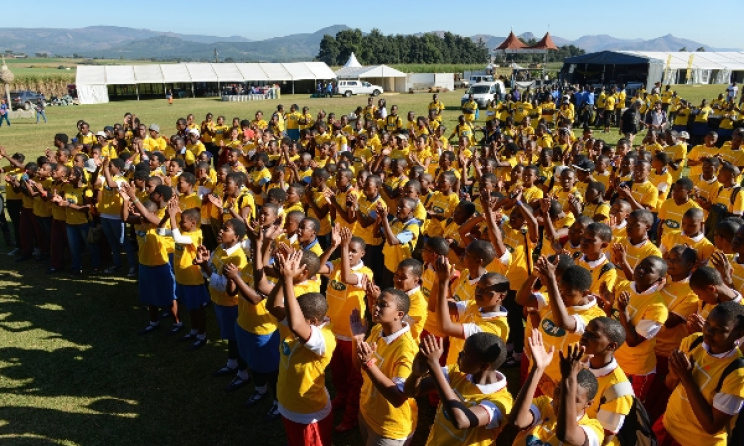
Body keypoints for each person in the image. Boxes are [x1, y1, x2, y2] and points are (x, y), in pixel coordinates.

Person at [268, 250, 336, 446]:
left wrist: (289, 280)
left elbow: (297, 325)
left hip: (309, 413)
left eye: (297, 315)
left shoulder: (325, 339)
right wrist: (282, 279)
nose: (291, 318)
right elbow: (273, 307)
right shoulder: (299, 324)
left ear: (313, 321)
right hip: (289, 405)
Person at [653, 301, 744, 446]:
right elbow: (670, 385)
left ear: (739, 334)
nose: (709, 331)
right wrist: (675, 375)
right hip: (668, 426)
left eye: (720, 329)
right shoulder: (693, 341)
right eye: (707, 323)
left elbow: (711, 426)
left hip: (695, 441)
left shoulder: (737, 374)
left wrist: (687, 378)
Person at [403, 333, 513, 446]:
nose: (459, 354)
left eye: (465, 354)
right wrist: (416, 375)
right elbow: (411, 392)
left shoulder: (500, 402)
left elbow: (462, 421)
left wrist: (434, 366)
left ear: (484, 366)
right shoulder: (456, 373)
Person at [511, 330, 604, 446]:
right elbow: (517, 422)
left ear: (588, 404)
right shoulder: (544, 404)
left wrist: (568, 379)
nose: (560, 400)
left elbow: (566, 435)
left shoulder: (593, 428)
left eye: (573, 398)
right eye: (559, 391)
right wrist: (538, 369)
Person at [352, 287, 417, 446]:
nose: (375, 307)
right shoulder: (377, 330)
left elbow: (397, 398)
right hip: (367, 412)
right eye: (377, 303)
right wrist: (358, 339)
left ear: (399, 314)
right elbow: (357, 367)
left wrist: (368, 364)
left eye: (383, 305)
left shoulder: (406, 350)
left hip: (390, 428)